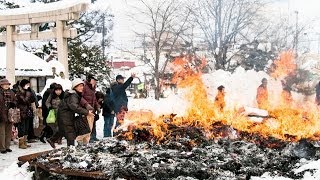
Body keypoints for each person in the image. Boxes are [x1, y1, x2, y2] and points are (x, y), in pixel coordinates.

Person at [48, 78, 94, 148]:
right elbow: (74, 106)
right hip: (65, 116)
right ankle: (70, 150)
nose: (81, 88)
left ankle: (52, 139)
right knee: (70, 134)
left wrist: (86, 106)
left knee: (63, 130)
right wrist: (86, 112)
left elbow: (79, 103)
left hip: (65, 115)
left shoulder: (75, 94)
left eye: (82, 86)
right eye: (79, 86)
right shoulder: (73, 95)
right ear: (75, 87)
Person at [79, 74, 100, 143]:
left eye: (95, 81)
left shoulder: (93, 88)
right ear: (89, 79)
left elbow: (94, 99)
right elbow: (80, 97)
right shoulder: (84, 86)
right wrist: (86, 104)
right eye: (93, 80)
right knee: (87, 125)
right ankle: (85, 139)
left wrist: (97, 107)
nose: (95, 82)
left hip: (92, 109)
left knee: (93, 124)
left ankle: (93, 137)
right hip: (85, 109)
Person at [16, 79, 36, 149]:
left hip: (28, 112)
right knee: (22, 128)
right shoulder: (19, 93)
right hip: (21, 112)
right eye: (26, 84)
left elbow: (32, 100)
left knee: (27, 127)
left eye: (28, 84)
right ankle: (21, 143)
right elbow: (24, 101)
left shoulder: (28, 92)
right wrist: (28, 94)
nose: (28, 86)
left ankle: (25, 142)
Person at [0, 79, 17, 153]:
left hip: (10, 114)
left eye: (8, 84)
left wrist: (13, 103)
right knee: (2, 132)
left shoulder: (11, 92)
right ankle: (2, 148)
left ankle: (7, 146)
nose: (7, 85)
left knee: (9, 131)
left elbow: (15, 100)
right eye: (5, 84)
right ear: (1, 85)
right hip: (1, 113)